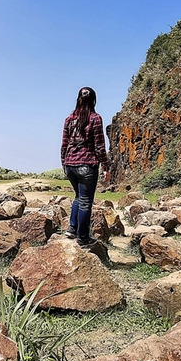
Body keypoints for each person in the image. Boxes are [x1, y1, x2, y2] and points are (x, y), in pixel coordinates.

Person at [60, 86, 109, 247]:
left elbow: (64, 145)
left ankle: (72, 229)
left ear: (78, 99)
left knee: (78, 197)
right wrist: (106, 167)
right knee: (86, 202)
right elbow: (99, 146)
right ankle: (83, 237)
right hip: (87, 165)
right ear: (93, 100)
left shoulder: (69, 119)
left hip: (70, 165)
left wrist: (64, 165)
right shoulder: (95, 118)